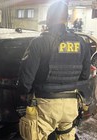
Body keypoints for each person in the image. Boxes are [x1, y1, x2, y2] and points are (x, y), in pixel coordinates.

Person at [18, 0, 91, 140]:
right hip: (71, 104)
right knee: (66, 136)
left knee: (33, 135)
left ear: (49, 17)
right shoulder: (81, 42)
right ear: (67, 18)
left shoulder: (39, 43)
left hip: (46, 104)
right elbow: (85, 75)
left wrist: (23, 95)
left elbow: (26, 78)